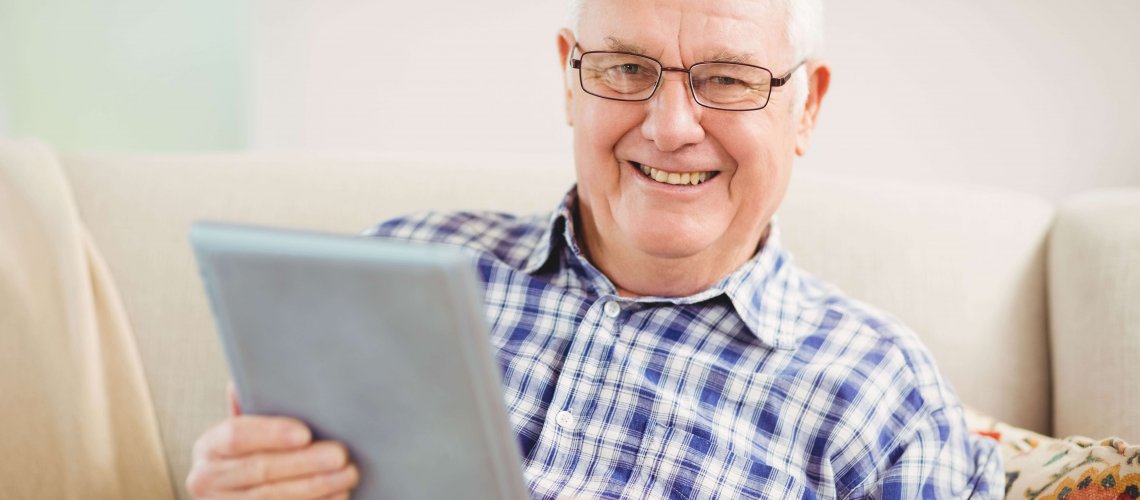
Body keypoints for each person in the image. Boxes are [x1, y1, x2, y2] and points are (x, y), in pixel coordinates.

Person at [186, 0, 1004, 497]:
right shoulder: (396, 274)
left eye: (727, 79)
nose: (672, 126)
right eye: (625, 69)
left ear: (807, 110)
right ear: (569, 80)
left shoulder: (883, 399)